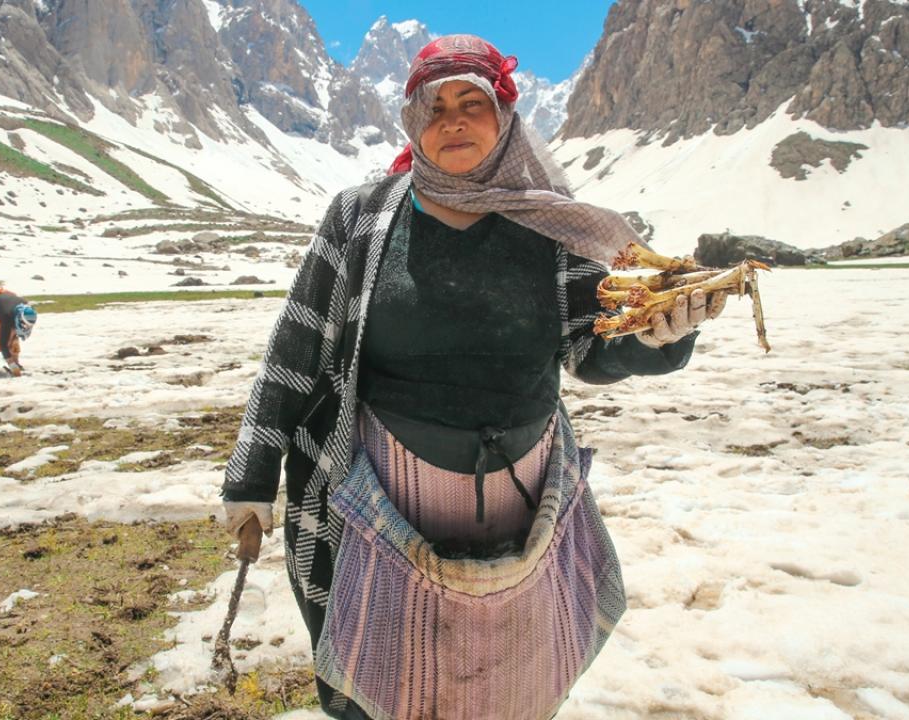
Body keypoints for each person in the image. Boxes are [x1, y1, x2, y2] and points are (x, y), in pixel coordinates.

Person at [221, 35, 726, 720]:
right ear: (413, 122)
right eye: (434, 108)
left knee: (508, 678)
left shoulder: (551, 222)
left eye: (471, 103)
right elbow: (297, 346)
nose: (452, 122)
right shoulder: (361, 216)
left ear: (505, 114)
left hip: (525, 504)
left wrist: (658, 336)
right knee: (384, 674)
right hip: (381, 501)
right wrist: (252, 477)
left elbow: (592, 345)